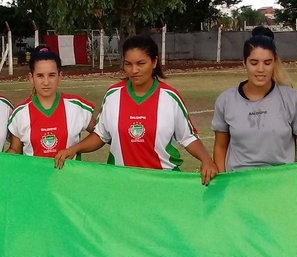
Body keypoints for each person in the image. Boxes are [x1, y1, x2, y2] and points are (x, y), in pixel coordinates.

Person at [55, 34, 218, 184]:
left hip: (163, 183)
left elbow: (187, 137)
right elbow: (101, 135)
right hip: (121, 182)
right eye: (128, 64)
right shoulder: (113, 95)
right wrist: (74, 149)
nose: (134, 70)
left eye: (141, 63)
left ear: (154, 62)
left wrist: (206, 160)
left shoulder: (170, 97)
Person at [212, 27, 297, 172]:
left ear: (275, 62)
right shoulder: (225, 101)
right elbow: (220, 147)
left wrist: (291, 179)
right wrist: (224, 181)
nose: (261, 69)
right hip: (238, 182)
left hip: (280, 182)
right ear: (244, 63)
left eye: (267, 63)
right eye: (254, 63)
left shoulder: (294, 99)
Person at [7, 45, 95, 158]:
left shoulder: (77, 107)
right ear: (31, 78)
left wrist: (76, 148)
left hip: (70, 171)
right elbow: (15, 150)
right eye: (40, 76)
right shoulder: (20, 113)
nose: (46, 82)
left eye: (51, 75)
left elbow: (100, 135)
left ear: (60, 76)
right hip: (34, 171)